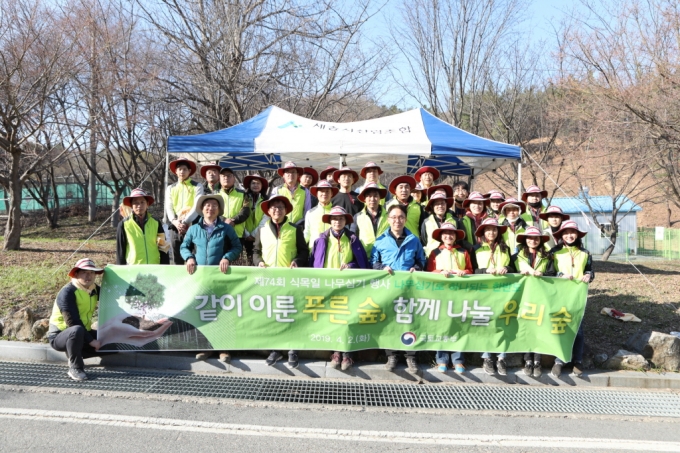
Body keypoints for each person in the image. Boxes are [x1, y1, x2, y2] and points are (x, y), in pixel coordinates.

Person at [180, 194, 243, 363]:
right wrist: (189, 257)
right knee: (203, 312)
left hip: (220, 277)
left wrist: (227, 257)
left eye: (214, 205)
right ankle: (205, 347)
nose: (210, 208)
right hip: (200, 278)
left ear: (219, 209)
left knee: (222, 312)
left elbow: (237, 246)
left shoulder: (226, 228)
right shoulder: (194, 229)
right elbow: (184, 246)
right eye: (207, 205)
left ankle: (224, 348)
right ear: (201, 209)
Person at [310, 206, 369, 371]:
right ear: (330, 221)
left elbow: (363, 263)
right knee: (332, 319)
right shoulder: (321, 239)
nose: (337, 221)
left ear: (346, 221)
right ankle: (335, 352)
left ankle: (347, 353)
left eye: (341, 219)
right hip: (327, 286)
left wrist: (350, 265)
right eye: (334, 219)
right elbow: (313, 262)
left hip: (348, 286)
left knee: (347, 319)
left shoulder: (353, 239)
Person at [253, 195, 309, 369]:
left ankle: (293, 350)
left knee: (291, 314)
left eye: (281, 207)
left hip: (290, 279)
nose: (277, 210)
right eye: (274, 207)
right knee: (274, 315)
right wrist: (258, 262)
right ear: (268, 211)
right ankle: (275, 349)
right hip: (269, 280)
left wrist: (297, 261)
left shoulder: (295, 229)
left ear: (286, 211)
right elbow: (255, 251)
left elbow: (303, 251)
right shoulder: (261, 230)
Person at [371, 204, 427, 373]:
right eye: (394, 217)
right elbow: (373, 262)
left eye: (401, 217)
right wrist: (382, 268)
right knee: (390, 321)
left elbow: (421, 261)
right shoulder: (380, 241)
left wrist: (416, 268)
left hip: (409, 288)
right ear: (388, 220)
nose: (397, 220)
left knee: (410, 320)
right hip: (388, 288)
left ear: (405, 219)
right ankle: (392, 355)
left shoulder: (414, 240)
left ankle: (411, 357)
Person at [549, 220, 594, 379]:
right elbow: (549, 272)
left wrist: (588, 275)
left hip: (577, 296)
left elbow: (590, 270)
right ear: (561, 235)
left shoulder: (585, 253)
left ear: (578, 235)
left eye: (572, 232)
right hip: (559, 295)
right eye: (566, 233)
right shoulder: (554, 252)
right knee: (560, 327)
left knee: (578, 330)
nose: (569, 235)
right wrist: (560, 275)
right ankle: (559, 360)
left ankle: (577, 361)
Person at [48, 258, 106, 381]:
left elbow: (113, 297)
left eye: (91, 272)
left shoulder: (94, 288)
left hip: (83, 333)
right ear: (76, 274)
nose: (88, 276)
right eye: (84, 272)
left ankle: (77, 352)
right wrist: (92, 341)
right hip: (61, 336)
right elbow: (72, 322)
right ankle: (75, 367)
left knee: (113, 343)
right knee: (76, 330)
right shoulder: (68, 292)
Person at [426, 222, 472, 374]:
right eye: (445, 233)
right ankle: (441, 359)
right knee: (442, 326)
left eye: (451, 233)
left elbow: (471, 271)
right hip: (440, 294)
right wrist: (440, 271)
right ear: (441, 236)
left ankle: (458, 360)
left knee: (458, 325)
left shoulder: (463, 252)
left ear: (455, 236)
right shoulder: (435, 252)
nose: (448, 236)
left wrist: (464, 272)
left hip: (459, 294)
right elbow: (429, 272)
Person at [512, 226, 556, 378]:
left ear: (540, 240)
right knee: (526, 327)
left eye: (536, 238)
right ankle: (527, 360)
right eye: (530, 238)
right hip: (523, 296)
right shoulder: (517, 257)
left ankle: (537, 360)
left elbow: (552, 274)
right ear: (525, 240)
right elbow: (510, 273)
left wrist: (542, 274)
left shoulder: (547, 257)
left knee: (539, 326)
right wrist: (519, 273)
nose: (533, 241)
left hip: (541, 296)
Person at [473, 218, 515, 376]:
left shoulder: (505, 249)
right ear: (483, 232)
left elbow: (513, 268)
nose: (491, 232)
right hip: (483, 291)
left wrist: (506, 268)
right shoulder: (476, 248)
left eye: (494, 229)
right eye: (488, 229)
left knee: (502, 323)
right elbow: (472, 270)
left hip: (502, 291)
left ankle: (501, 358)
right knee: (485, 323)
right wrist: (485, 271)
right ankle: (487, 358)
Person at [165, 157, 204, 264]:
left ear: (189, 171)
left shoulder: (197, 186)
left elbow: (197, 206)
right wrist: (175, 221)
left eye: (185, 169)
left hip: (194, 224)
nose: (182, 171)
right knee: (177, 255)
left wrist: (185, 222)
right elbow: (169, 206)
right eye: (179, 169)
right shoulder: (170, 188)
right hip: (176, 226)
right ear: (176, 171)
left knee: (195, 255)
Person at [116, 189, 169, 265]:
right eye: (136, 203)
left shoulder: (156, 222)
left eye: (142, 202)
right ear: (131, 205)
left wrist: (165, 266)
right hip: (133, 268)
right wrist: (121, 270)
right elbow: (120, 251)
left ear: (147, 204)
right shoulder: (123, 224)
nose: (139, 206)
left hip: (154, 266)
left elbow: (163, 247)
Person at [351, 182, 389, 255]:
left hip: (384, 256)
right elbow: (353, 238)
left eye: (375, 196)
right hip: (364, 256)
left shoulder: (389, 216)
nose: (372, 199)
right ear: (364, 198)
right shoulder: (357, 216)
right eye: (369, 196)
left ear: (379, 198)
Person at [217, 167, 251, 242]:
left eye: (229, 176)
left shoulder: (243, 194)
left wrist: (233, 221)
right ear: (219, 179)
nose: (226, 178)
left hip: (237, 234)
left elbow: (245, 211)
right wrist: (224, 220)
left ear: (234, 178)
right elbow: (212, 212)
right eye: (223, 176)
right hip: (218, 233)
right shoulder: (215, 194)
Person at [243, 173, 269, 265]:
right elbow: (241, 215)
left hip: (260, 234)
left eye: (258, 183)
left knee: (258, 258)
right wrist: (246, 234)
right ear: (249, 185)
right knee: (247, 261)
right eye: (253, 183)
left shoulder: (266, 200)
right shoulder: (243, 198)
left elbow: (266, 217)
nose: (255, 185)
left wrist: (255, 233)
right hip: (244, 235)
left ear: (262, 186)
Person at [303, 180, 338, 248]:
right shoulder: (310, 213)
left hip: (333, 251)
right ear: (317, 194)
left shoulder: (337, 212)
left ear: (331, 194)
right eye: (321, 191)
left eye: (327, 191)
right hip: (315, 250)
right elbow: (307, 233)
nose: (324, 193)